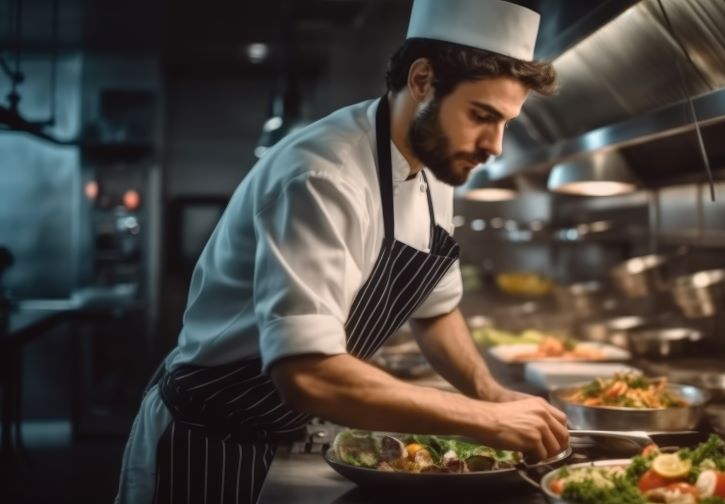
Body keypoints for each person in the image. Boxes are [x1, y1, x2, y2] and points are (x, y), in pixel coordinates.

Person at [116, 0, 567, 502]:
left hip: (283, 428)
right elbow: (306, 374)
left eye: (506, 122)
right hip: (207, 437)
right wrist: (484, 420)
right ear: (422, 81)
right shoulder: (323, 177)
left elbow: (436, 311)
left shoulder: (434, 162)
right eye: (482, 116)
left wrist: (493, 394)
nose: (495, 145)